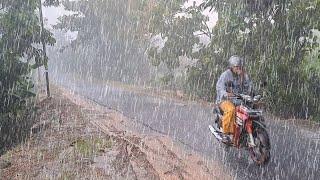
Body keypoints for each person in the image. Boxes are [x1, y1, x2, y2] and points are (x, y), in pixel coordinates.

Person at [215, 55, 252, 144]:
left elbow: (249, 87)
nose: (238, 68)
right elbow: (219, 87)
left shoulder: (243, 76)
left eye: (240, 67)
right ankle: (225, 134)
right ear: (231, 67)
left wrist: (244, 78)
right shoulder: (225, 75)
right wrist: (226, 94)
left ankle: (243, 132)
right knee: (231, 110)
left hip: (238, 100)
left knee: (249, 111)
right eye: (236, 67)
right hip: (225, 100)